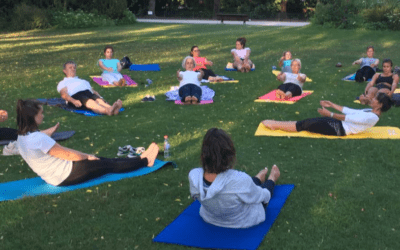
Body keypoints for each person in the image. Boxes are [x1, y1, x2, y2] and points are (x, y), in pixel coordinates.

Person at [16, 99, 159, 186]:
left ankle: (140, 158)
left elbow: (45, 146)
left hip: (54, 176)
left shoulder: (21, 137)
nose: (43, 115)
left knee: (104, 160)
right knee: (109, 164)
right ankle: (146, 161)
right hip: (66, 175)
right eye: (41, 113)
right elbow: (67, 154)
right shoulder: (39, 139)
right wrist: (86, 156)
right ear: (32, 117)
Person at [188, 128, 281, 228]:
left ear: (204, 154)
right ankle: (272, 177)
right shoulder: (239, 179)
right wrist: (269, 184)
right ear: (228, 154)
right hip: (241, 220)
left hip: (210, 218)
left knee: (245, 187)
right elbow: (262, 197)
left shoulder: (194, 176)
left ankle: (257, 178)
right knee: (262, 191)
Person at [262, 93, 392, 136]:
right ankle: (278, 124)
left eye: (375, 99)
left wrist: (329, 114)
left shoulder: (372, 118)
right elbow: (350, 111)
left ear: (379, 105)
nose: (372, 99)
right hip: (339, 124)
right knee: (308, 122)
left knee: (306, 124)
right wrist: (332, 104)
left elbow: (349, 118)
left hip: (340, 129)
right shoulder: (369, 112)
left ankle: (275, 125)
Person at [57, 61, 122, 116]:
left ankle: (112, 109)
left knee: (99, 101)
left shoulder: (83, 81)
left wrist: (101, 98)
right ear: (64, 71)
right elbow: (64, 94)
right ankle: (107, 111)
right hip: (76, 96)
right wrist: (73, 100)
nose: (73, 69)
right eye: (70, 68)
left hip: (87, 93)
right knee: (91, 102)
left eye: (74, 68)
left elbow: (93, 91)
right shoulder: (63, 82)